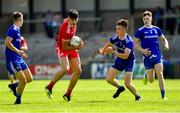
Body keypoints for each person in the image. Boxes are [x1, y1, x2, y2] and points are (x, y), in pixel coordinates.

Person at [45, 9, 84, 102]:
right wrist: (78, 47)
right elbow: (65, 47)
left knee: (78, 71)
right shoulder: (65, 27)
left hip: (70, 46)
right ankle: (49, 87)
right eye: (72, 20)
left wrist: (59, 36)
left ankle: (67, 94)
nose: (74, 22)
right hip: (62, 48)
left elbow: (69, 37)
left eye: (76, 20)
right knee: (65, 69)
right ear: (68, 18)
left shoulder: (71, 23)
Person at [99, 19, 141, 101]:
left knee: (128, 84)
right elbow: (109, 42)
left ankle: (137, 96)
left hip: (129, 61)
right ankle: (120, 87)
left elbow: (125, 56)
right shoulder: (115, 38)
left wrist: (113, 52)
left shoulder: (129, 42)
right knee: (109, 79)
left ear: (124, 30)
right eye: (116, 28)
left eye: (119, 28)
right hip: (119, 60)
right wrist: (103, 51)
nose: (116, 30)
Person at [134, 10, 169, 100]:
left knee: (160, 74)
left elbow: (164, 39)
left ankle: (163, 96)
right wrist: (143, 50)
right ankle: (147, 76)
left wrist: (166, 44)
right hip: (147, 57)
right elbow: (135, 44)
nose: (146, 20)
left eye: (147, 19)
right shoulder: (140, 31)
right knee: (151, 80)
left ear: (151, 19)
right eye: (144, 19)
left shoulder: (156, 29)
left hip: (157, 55)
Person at [5, 11, 33, 104]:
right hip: (12, 59)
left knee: (29, 78)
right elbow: (7, 43)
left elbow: (15, 45)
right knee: (24, 80)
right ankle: (18, 99)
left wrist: (20, 53)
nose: (23, 21)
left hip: (18, 58)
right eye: (22, 19)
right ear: (20, 20)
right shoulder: (12, 29)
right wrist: (17, 51)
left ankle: (14, 86)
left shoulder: (17, 29)